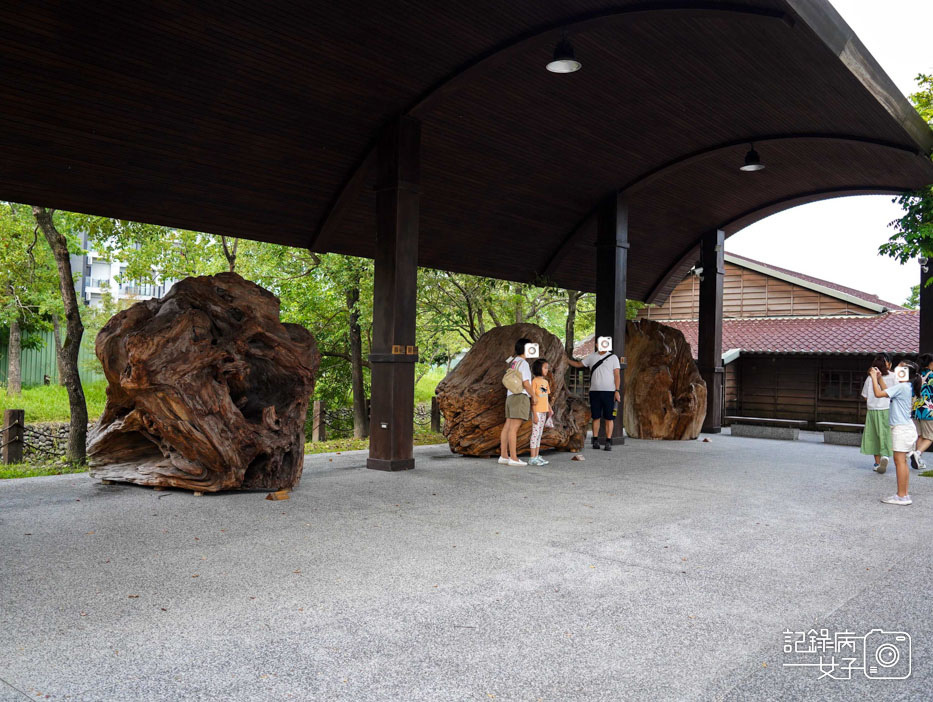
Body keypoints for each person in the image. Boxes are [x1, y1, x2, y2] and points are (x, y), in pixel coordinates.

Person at [868, 360, 921, 505]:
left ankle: (902, 496)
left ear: (905, 372)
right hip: (905, 427)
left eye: (900, 367)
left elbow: (878, 394)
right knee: (901, 462)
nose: (897, 368)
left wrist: (873, 377)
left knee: (900, 462)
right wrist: (879, 379)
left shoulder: (902, 387)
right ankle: (903, 495)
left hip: (901, 429)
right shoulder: (905, 386)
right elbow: (887, 393)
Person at [566, 342, 623, 451]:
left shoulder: (613, 357)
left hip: (609, 392)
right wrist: (566, 360)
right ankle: (595, 440)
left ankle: (608, 441)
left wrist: (617, 390)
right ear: (597, 344)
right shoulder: (592, 356)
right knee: (595, 416)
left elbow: (617, 375)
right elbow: (579, 365)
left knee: (609, 418)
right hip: (594, 391)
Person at [498, 337, 533, 466]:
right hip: (520, 396)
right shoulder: (524, 363)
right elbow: (526, 384)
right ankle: (514, 458)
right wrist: (534, 396)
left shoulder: (514, 361)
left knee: (507, 426)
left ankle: (503, 455)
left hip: (510, 396)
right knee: (514, 428)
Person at [860, 353, 895, 473]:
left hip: (871, 410)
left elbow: (865, 396)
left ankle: (876, 462)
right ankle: (885, 455)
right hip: (886, 410)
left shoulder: (870, 377)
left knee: (873, 435)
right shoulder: (893, 376)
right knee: (885, 434)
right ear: (888, 364)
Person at [909, 353, 933, 470]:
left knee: (920, 436)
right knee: (929, 437)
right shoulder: (932, 376)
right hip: (929, 411)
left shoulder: (916, 377)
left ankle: (917, 460)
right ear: (931, 363)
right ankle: (917, 454)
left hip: (916, 410)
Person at [528, 359, 552, 466]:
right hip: (537, 411)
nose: (547, 370)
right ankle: (532, 457)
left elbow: (545, 397)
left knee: (540, 434)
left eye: (547, 368)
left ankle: (537, 456)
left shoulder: (545, 382)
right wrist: (534, 414)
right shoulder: (534, 382)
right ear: (538, 368)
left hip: (544, 411)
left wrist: (549, 408)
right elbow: (532, 399)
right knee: (535, 434)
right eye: (545, 367)